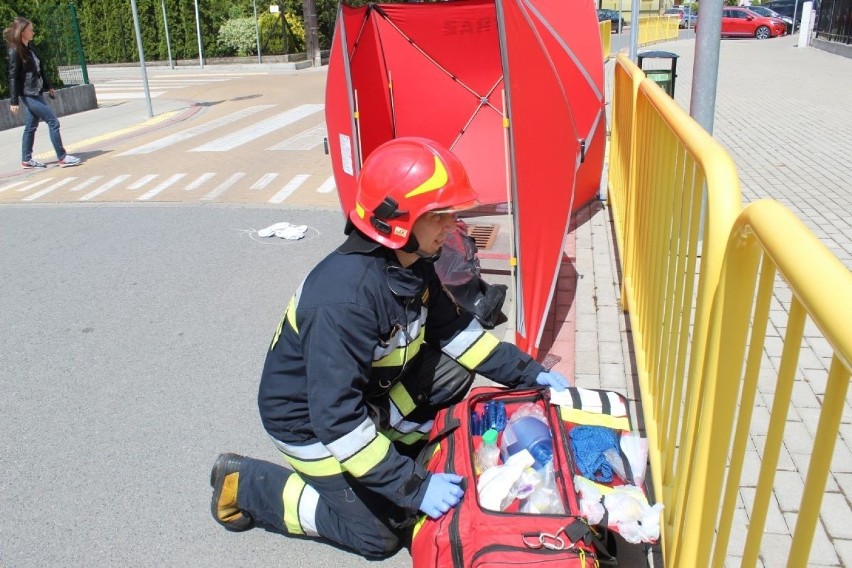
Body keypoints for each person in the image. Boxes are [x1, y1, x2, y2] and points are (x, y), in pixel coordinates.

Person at [209, 137, 569, 558]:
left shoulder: (413, 263)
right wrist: (412, 486)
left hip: (364, 396)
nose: (450, 226)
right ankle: (248, 484)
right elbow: (337, 421)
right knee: (379, 537)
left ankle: (385, 451)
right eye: (439, 216)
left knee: (455, 369)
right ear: (397, 221)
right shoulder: (345, 301)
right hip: (309, 423)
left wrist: (532, 374)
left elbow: (457, 336)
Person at [4, 17, 81, 169]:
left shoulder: (30, 48)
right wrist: (14, 101)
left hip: (36, 91)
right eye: (30, 29)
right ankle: (62, 157)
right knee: (53, 121)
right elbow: (12, 76)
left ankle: (26, 160)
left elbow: (39, 70)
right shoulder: (15, 51)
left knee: (30, 127)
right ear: (22, 32)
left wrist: (49, 86)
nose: (33, 32)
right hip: (28, 93)